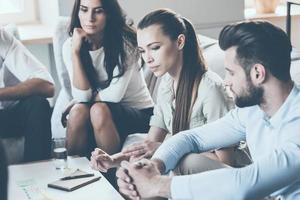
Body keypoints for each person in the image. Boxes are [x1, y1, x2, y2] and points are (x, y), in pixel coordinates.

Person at [117, 20, 300, 200]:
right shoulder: (253, 110)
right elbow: (191, 138)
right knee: (186, 160)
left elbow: (243, 185)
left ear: (258, 73)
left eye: (231, 72)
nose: (226, 80)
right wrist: (154, 166)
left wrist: (155, 184)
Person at [90, 9, 238, 176]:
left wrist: (169, 149)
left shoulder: (211, 88)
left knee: (174, 163)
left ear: (180, 42)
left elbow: (225, 161)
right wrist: (113, 160)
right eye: (142, 51)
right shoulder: (166, 85)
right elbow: (149, 144)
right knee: (140, 171)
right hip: (188, 175)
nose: (148, 58)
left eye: (154, 48)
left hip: (223, 176)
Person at [63, 0, 154, 157]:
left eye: (98, 11)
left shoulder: (125, 43)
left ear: (109, 14)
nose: (89, 18)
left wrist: (84, 99)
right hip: (100, 115)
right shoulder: (70, 45)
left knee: (98, 110)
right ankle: (74, 175)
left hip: (139, 114)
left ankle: (111, 175)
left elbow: (114, 96)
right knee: (77, 112)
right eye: (84, 10)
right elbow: (81, 97)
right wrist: (75, 53)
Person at [0, 28, 54, 162]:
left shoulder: (2, 37)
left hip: (6, 116)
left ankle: (39, 173)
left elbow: (47, 86)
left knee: (38, 104)